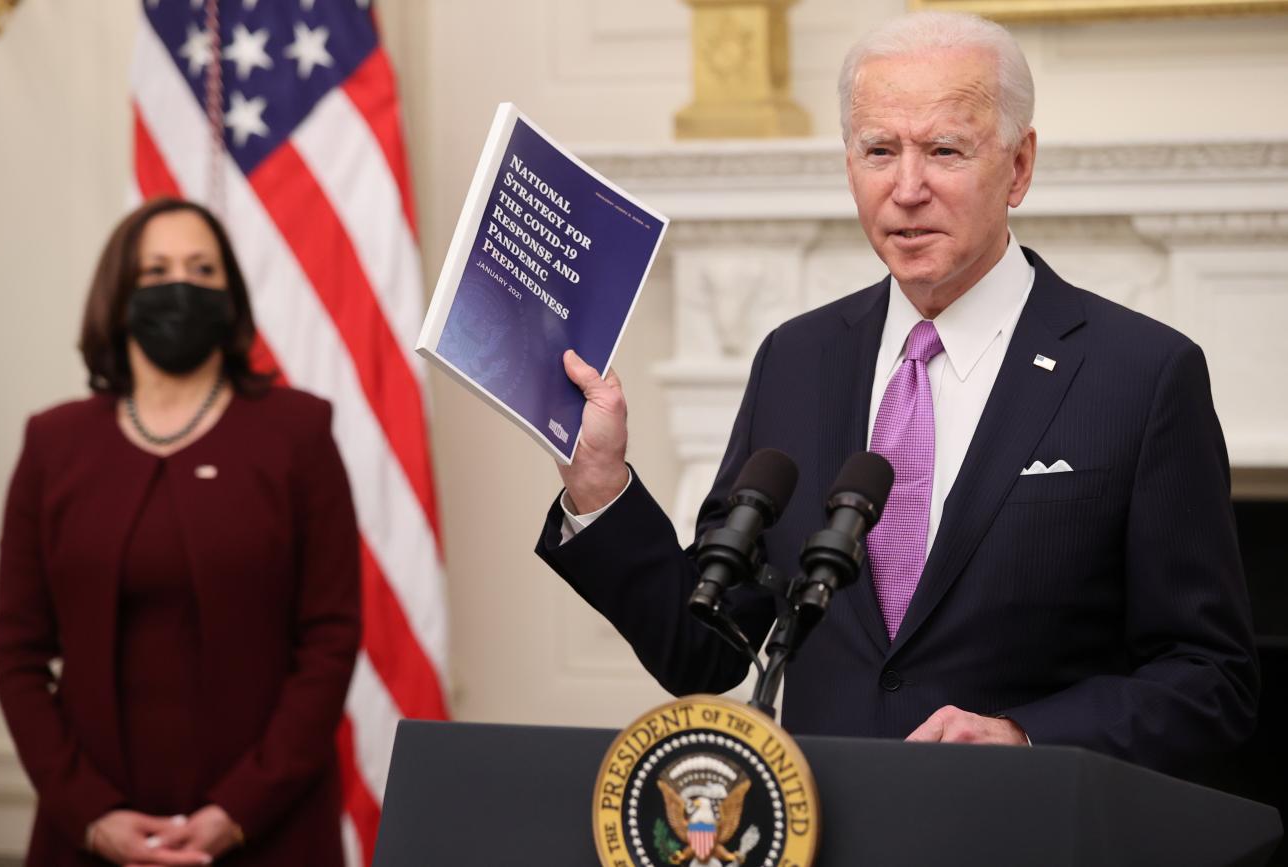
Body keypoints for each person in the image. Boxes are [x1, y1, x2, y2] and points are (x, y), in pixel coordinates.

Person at [535, 11, 1258, 778]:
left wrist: (1024, 737)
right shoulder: (797, 357)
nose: (907, 188)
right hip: (829, 832)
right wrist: (600, 485)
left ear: (1019, 166)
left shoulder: (1141, 375)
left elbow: (1212, 680)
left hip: (1027, 833)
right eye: (879, 150)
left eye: (945, 149)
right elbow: (705, 646)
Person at [0, 197, 362, 866]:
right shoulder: (53, 442)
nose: (180, 287)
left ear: (231, 296)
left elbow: (331, 639)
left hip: (268, 828)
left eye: (202, 269)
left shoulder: (299, 433)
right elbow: (16, 650)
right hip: (90, 834)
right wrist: (90, 813)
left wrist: (238, 810)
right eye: (156, 271)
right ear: (119, 293)